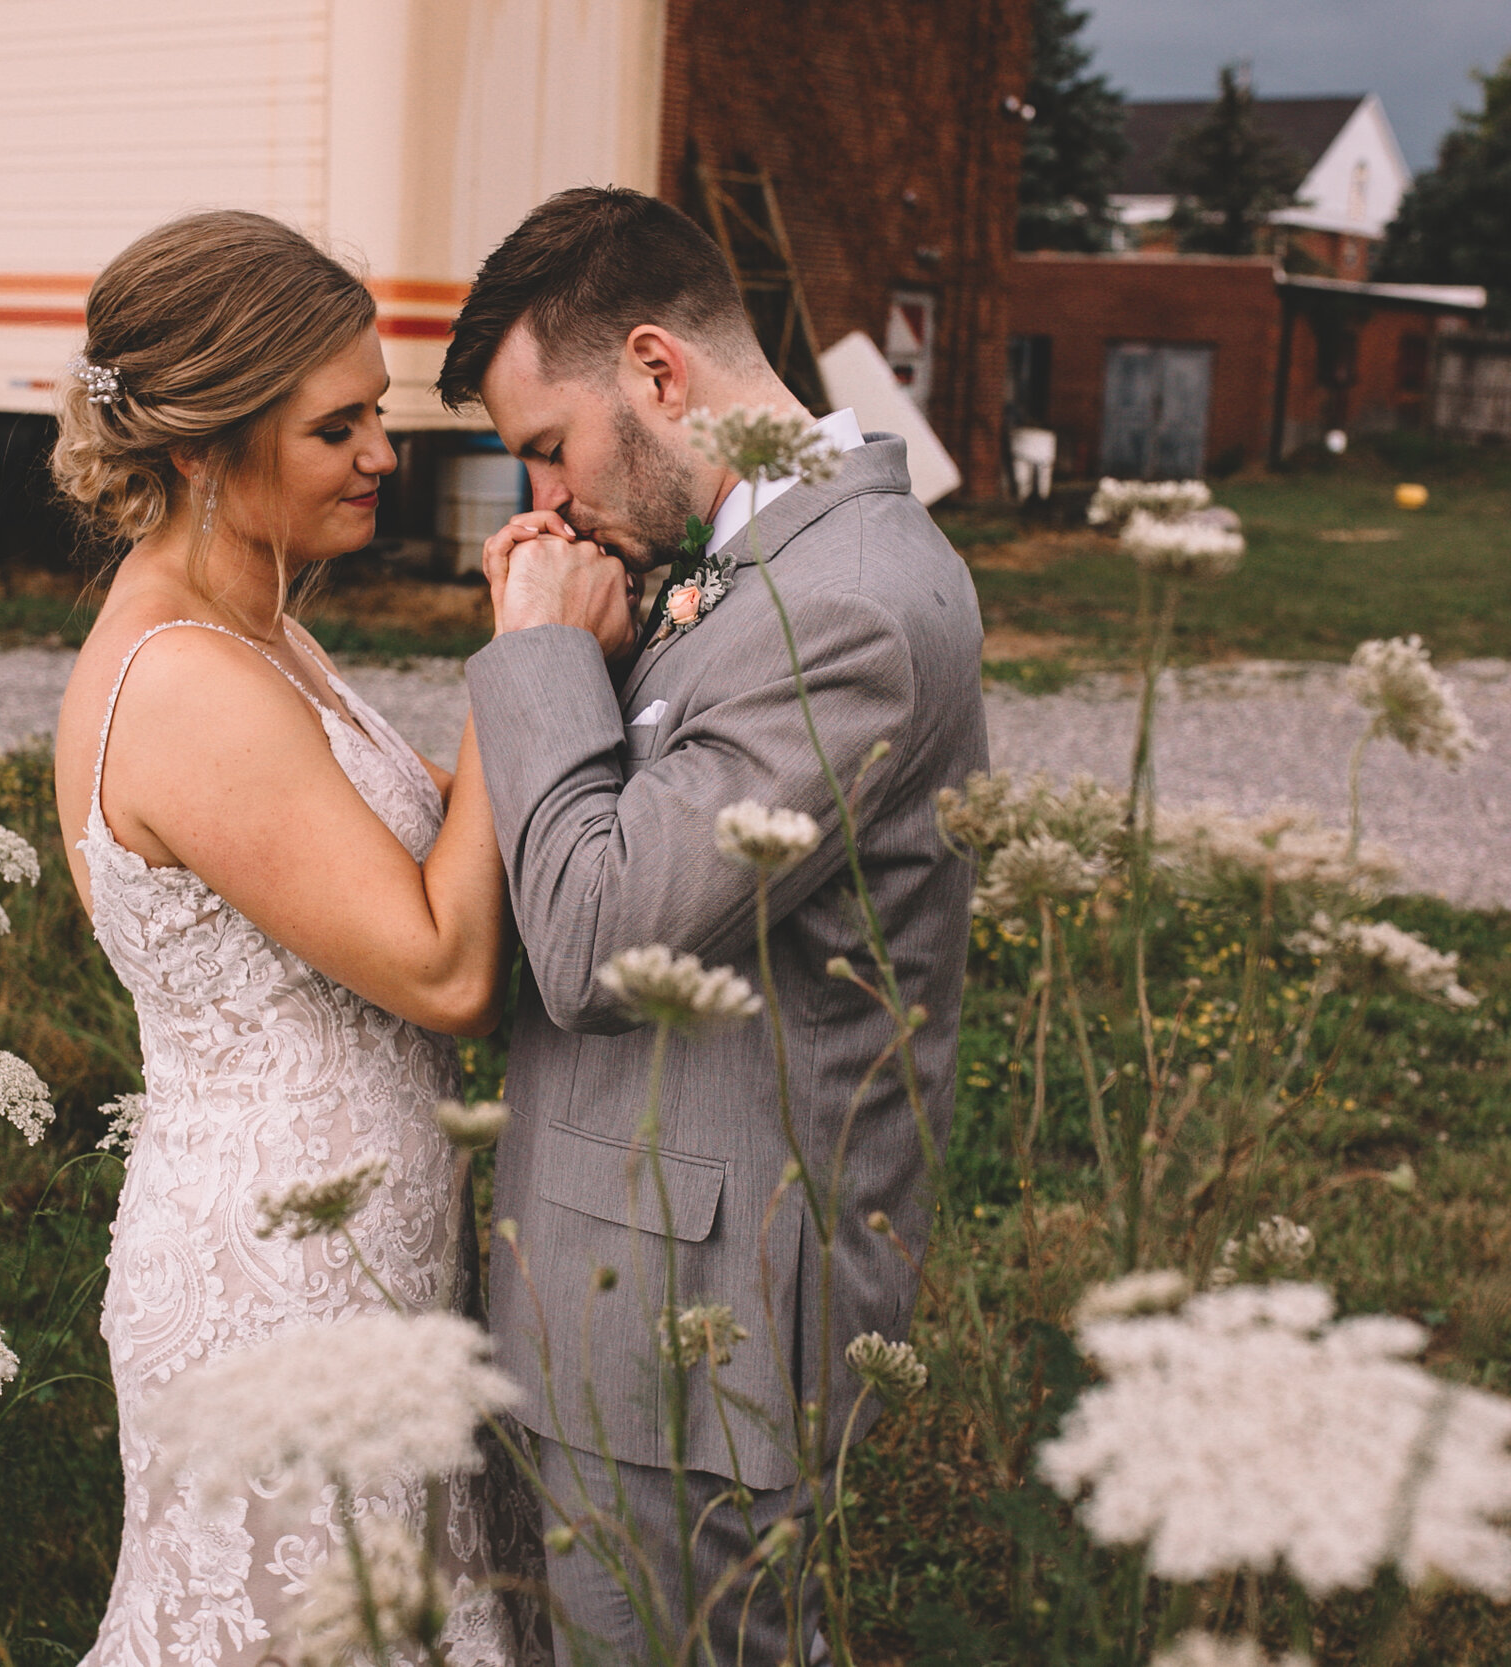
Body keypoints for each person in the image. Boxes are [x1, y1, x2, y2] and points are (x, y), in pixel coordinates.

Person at [438, 187, 990, 1665]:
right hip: (608, 1297)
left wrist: (546, 651)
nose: (544, 508)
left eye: (547, 449)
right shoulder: (746, 571)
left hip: (700, 1342)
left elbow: (601, 940)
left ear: (658, 372)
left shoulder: (853, 607)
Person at [49, 210, 517, 1667]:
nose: (385, 453)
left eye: (379, 413)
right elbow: (442, 966)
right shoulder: (187, 678)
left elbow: (419, 857)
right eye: (340, 426)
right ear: (202, 446)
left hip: (354, 1254)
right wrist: (528, 664)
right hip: (278, 1280)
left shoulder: (260, 633)